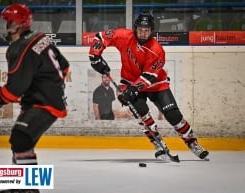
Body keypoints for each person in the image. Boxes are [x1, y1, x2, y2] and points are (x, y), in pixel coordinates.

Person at [88, 13, 209, 161]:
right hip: (129, 82)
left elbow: (149, 75)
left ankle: (193, 143)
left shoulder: (157, 50)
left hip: (156, 83)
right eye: (140, 29)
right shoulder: (124, 36)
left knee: (173, 115)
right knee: (141, 113)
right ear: (135, 28)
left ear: (152, 30)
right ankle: (159, 145)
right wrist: (94, 56)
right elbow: (100, 37)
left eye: (146, 30)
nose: (143, 33)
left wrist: (133, 89)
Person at [0, 4, 70, 193]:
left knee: (21, 139)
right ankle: (20, 185)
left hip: (44, 103)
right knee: (21, 140)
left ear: (19, 23)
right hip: (45, 100)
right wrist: (52, 87)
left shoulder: (18, 47)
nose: (4, 26)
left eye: (8, 22)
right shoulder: (41, 38)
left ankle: (28, 189)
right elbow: (64, 67)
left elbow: (14, 91)